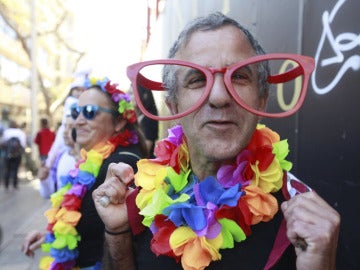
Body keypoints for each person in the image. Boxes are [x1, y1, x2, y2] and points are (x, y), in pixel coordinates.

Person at [92, 12, 340, 270]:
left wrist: (322, 264)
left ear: (262, 99)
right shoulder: (143, 198)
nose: (220, 96)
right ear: (173, 104)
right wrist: (117, 232)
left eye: (240, 77)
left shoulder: (302, 222)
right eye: (197, 80)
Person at [21, 77, 148, 269]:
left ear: (120, 122)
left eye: (89, 112)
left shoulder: (121, 165)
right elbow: (90, 225)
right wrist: (50, 236)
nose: (78, 121)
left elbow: (123, 241)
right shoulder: (95, 158)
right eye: (76, 112)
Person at [38, 114, 81, 198]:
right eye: (65, 126)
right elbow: (49, 194)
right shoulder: (60, 156)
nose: (65, 132)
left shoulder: (88, 159)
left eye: (71, 127)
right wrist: (44, 180)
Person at [130, 84, 159, 157]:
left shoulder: (148, 119)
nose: (128, 96)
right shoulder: (136, 116)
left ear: (144, 95)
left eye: (131, 93)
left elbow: (146, 149)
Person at [0, 120, 26, 190]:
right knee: (15, 169)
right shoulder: (20, 132)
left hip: (8, 154)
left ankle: (6, 184)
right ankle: (14, 184)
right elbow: (23, 144)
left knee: (7, 169)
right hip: (17, 154)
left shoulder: (6, 132)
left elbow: (2, 142)